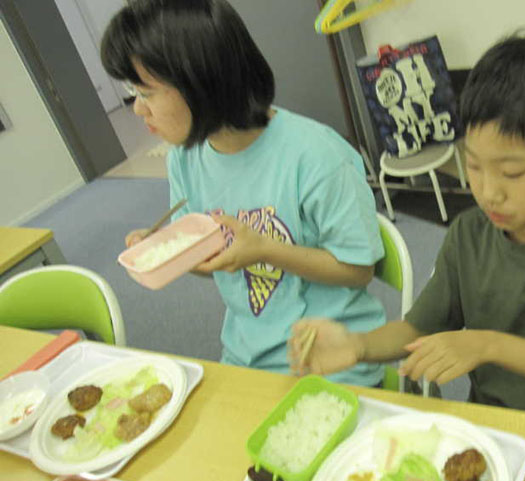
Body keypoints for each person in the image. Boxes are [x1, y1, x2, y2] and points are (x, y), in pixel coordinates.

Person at [290, 33, 525, 421]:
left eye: (512, 173)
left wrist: (488, 345)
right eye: (474, 166)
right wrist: (358, 346)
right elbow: (418, 329)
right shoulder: (469, 235)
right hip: (491, 423)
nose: (489, 193)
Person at [101, 0, 386, 387]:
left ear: (201, 81)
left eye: (146, 93)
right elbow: (214, 261)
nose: (137, 110)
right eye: (132, 92)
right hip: (245, 354)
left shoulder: (317, 156)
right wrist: (169, 252)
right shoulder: (185, 158)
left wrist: (266, 250)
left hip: (329, 355)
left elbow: (359, 270)